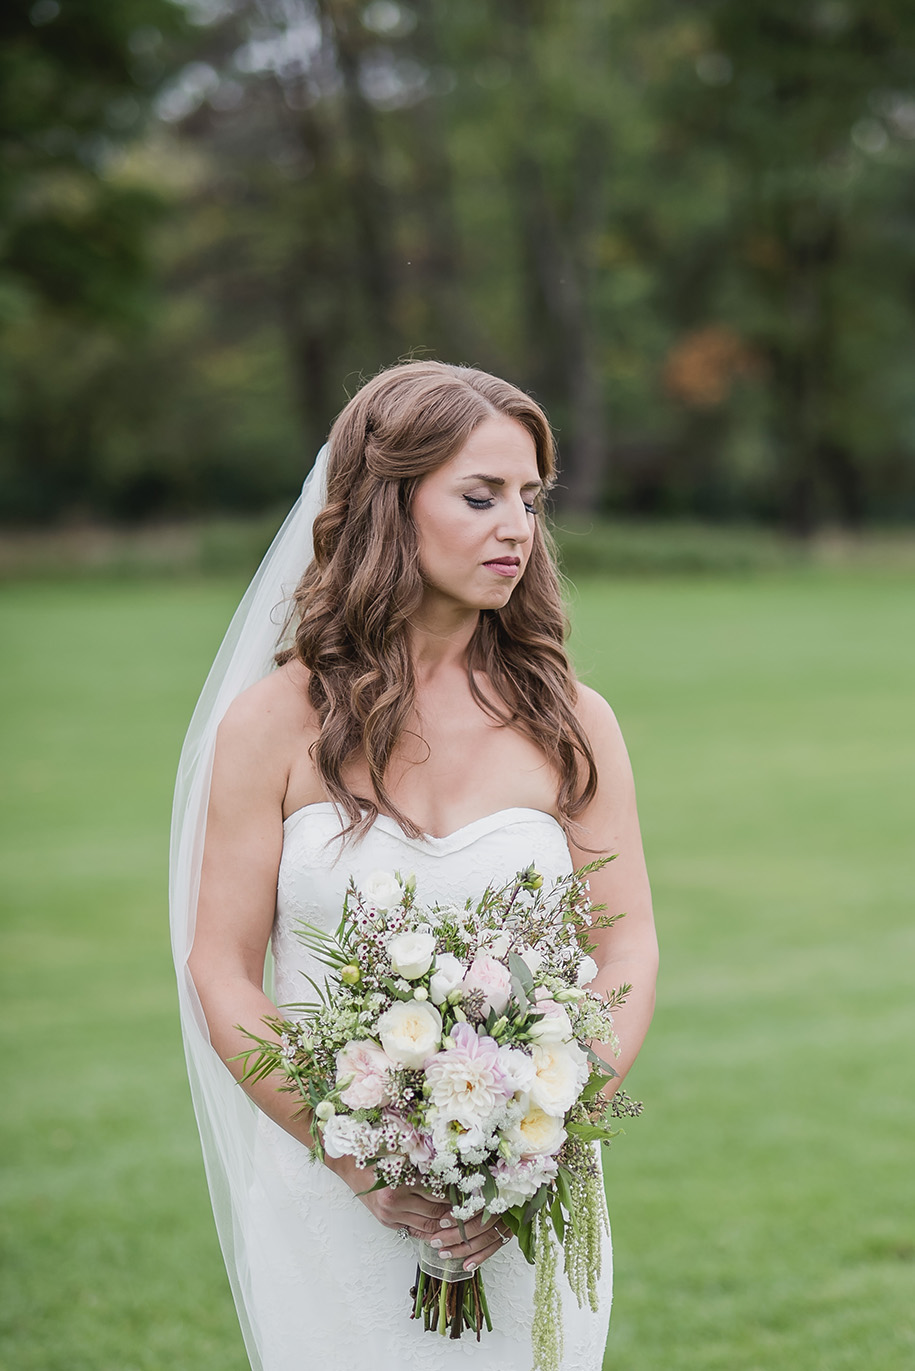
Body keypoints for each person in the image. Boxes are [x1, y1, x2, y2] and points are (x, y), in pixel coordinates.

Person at [170, 360, 658, 1371]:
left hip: (524, 1197)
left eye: (530, 498)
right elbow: (220, 967)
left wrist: (539, 1127)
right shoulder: (273, 726)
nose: (516, 527)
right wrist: (360, 1160)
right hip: (328, 1195)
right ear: (391, 505)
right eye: (480, 496)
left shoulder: (571, 723)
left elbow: (627, 944)